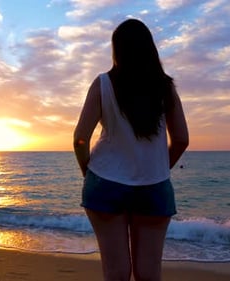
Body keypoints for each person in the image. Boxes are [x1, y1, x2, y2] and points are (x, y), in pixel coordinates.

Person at [73, 19, 189, 281]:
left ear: (117, 51)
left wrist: (88, 173)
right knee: (148, 274)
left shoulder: (103, 84)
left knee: (116, 273)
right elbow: (181, 139)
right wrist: (159, 166)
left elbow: (80, 138)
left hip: (105, 182)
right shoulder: (165, 87)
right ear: (150, 49)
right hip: (154, 184)